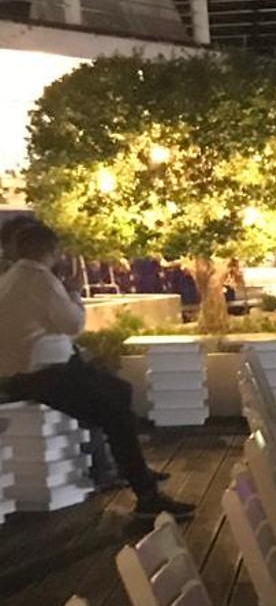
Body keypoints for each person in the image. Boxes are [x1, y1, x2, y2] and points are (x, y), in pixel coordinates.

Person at [0, 218, 189, 518]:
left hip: (27, 373)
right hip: (45, 375)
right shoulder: (40, 280)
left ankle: (128, 467)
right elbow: (73, 325)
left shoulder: (10, 279)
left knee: (120, 391)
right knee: (115, 414)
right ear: (52, 250)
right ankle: (146, 494)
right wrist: (74, 293)